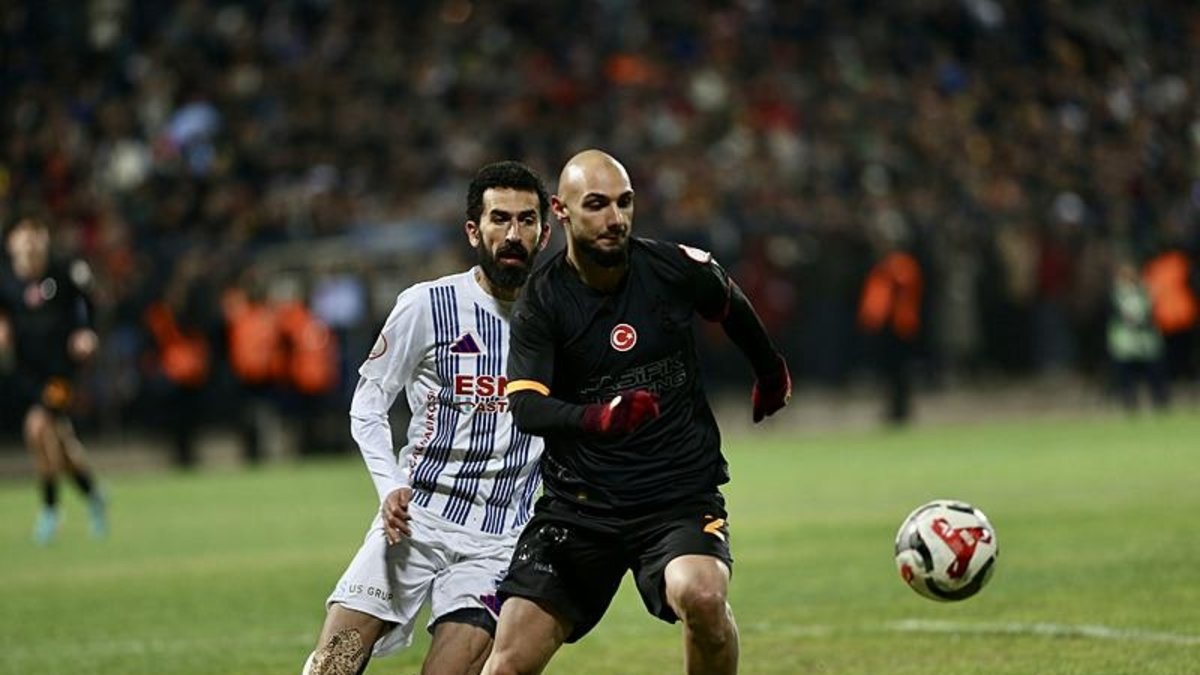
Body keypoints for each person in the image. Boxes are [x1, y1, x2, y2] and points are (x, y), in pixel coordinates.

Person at [481, 150, 792, 675]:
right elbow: (527, 407)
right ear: (561, 211)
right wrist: (601, 418)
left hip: (676, 498)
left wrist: (769, 370)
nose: (614, 219)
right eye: (597, 205)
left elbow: (729, 301)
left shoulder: (673, 268)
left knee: (704, 598)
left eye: (624, 203)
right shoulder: (543, 301)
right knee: (507, 664)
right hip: (580, 510)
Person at [303, 161, 551, 675]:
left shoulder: (564, 320)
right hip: (415, 520)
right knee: (334, 663)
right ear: (473, 230)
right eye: (499, 219)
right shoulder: (427, 305)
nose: (512, 233)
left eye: (526, 221)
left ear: (544, 233)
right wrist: (388, 485)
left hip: (499, 540)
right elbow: (369, 401)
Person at [0, 216, 108, 544]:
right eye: (24, 237)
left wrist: (86, 332)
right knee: (60, 444)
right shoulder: (6, 280)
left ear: (45, 240)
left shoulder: (64, 271)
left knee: (37, 429)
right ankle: (93, 495)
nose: (30, 244)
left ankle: (49, 508)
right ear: (12, 244)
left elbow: (90, 302)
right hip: (26, 372)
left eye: (36, 236)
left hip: (62, 372)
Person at [857, 238, 923, 425]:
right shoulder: (881, 267)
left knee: (901, 371)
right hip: (886, 326)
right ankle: (893, 407)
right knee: (889, 371)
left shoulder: (902, 265)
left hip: (901, 325)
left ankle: (902, 408)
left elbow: (904, 284)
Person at [1107, 258, 1168, 411]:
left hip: (1146, 343)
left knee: (1154, 376)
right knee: (1127, 379)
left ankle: (1160, 404)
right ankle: (1130, 405)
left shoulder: (1145, 291)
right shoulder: (1114, 294)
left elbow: (1151, 314)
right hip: (1125, 345)